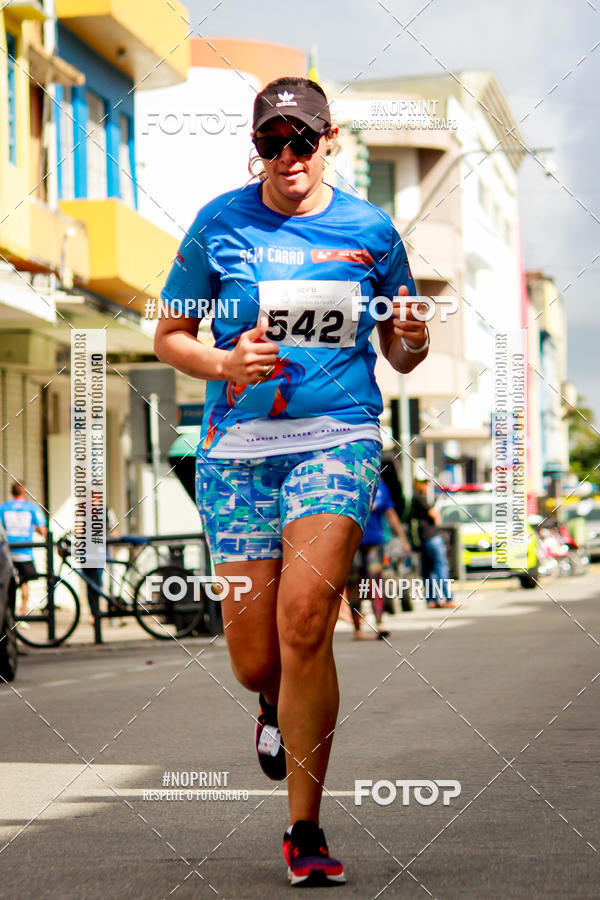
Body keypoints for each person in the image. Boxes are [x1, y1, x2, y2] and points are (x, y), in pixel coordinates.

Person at [154, 76, 429, 887]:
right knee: (252, 656)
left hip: (336, 440)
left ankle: (303, 828)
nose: (286, 156)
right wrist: (221, 360)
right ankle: (271, 706)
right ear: (257, 147)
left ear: (328, 139)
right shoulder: (221, 223)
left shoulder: (370, 231)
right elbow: (169, 332)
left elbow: (403, 351)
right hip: (237, 449)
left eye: (300, 140)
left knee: (306, 620)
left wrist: (409, 336)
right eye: (270, 143)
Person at [346, 473, 410, 639]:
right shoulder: (349, 483)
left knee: (375, 582)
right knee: (354, 584)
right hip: (352, 542)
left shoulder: (381, 487)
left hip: (375, 542)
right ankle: (357, 628)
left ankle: (380, 623)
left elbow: (391, 514)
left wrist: (403, 539)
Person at [0, 480, 47, 619]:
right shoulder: (32, 508)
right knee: (24, 583)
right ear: (25, 492)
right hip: (25, 552)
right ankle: (23, 613)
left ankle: (9, 615)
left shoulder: (3, 508)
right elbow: (43, 531)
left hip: (7, 552)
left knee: (7, 583)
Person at [409, 479, 455, 608]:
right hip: (431, 537)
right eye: (424, 483)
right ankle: (448, 598)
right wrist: (436, 508)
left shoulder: (416, 499)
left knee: (427, 570)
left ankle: (432, 600)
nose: (426, 486)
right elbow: (436, 517)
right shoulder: (420, 498)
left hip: (423, 538)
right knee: (441, 567)